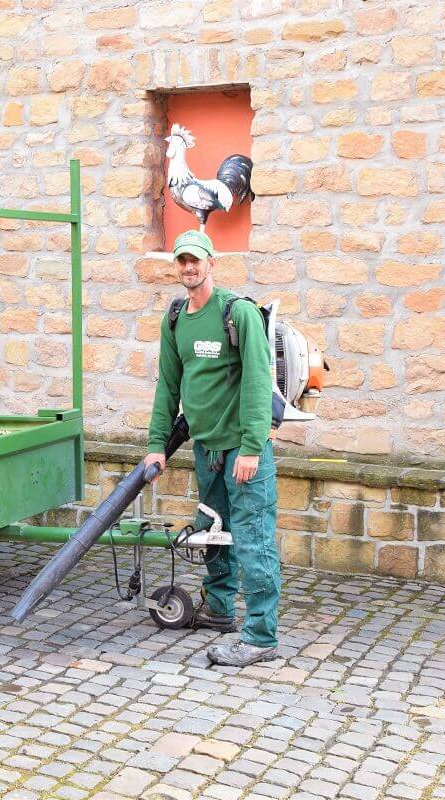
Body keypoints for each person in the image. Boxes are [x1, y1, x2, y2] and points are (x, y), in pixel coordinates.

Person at [143, 230, 281, 668]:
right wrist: (156, 446)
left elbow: (260, 383)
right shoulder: (176, 318)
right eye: (182, 260)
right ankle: (219, 609)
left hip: (243, 452)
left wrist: (252, 448)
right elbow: (168, 386)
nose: (189, 267)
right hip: (207, 451)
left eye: (196, 260)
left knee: (253, 541)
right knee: (214, 534)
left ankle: (260, 637)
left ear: (211, 263)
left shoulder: (237, 313)